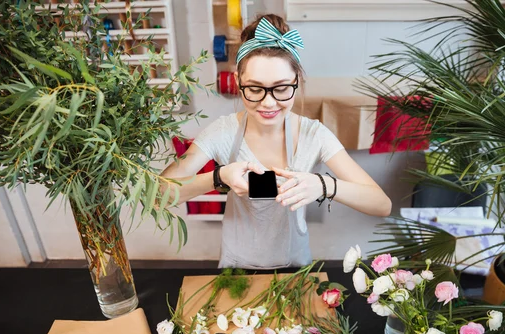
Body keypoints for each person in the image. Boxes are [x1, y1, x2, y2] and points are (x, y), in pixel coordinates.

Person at [163, 14, 391, 269]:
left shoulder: (313, 135)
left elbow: (381, 204)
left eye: (281, 88)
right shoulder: (223, 132)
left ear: (297, 81)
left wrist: (323, 185)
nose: (268, 103)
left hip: (296, 265)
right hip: (236, 266)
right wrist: (219, 177)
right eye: (255, 88)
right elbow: (160, 195)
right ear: (238, 82)